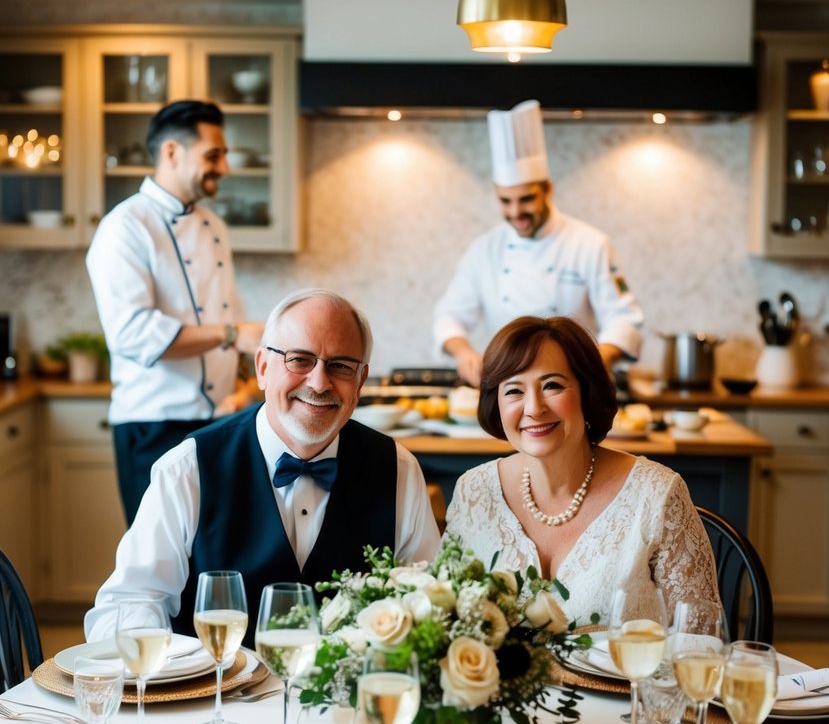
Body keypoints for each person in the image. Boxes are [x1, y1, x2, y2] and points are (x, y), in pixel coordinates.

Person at [84, 289, 441, 644]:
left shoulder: (398, 469)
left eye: (340, 366)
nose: (319, 382)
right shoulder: (189, 467)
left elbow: (430, 602)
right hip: (216, 695)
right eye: (299, 360)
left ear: (360, 381)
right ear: (263, 368)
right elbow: (131, 601)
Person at [444, 316, 718, 626]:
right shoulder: (473, 490)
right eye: (514, 391)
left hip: (631, 675)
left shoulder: (656, 495)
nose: (534, 408)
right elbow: (447, 619)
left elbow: (699, 639)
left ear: (587, 393)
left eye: (552, 385)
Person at [86, 99, 263, 525]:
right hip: (153, 426)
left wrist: (244, 386)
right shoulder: (124, 227)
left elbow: (230, 313)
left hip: (217, 420)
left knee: (215, 554)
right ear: (171, 152)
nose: (223, 167)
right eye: (213, 155)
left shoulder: (214, 227)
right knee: (161, 562)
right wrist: (231, 335)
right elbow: (133, 333)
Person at [433, 99, 644, 386]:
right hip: (508, 387)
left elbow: (623, 320)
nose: (515, 212)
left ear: (548, 190)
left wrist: (591, 365)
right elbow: (449, 315)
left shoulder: (590, 244)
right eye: (505, 201)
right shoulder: (485, 249)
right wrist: (464, 352)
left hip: (574, 386)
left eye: (526, 199)